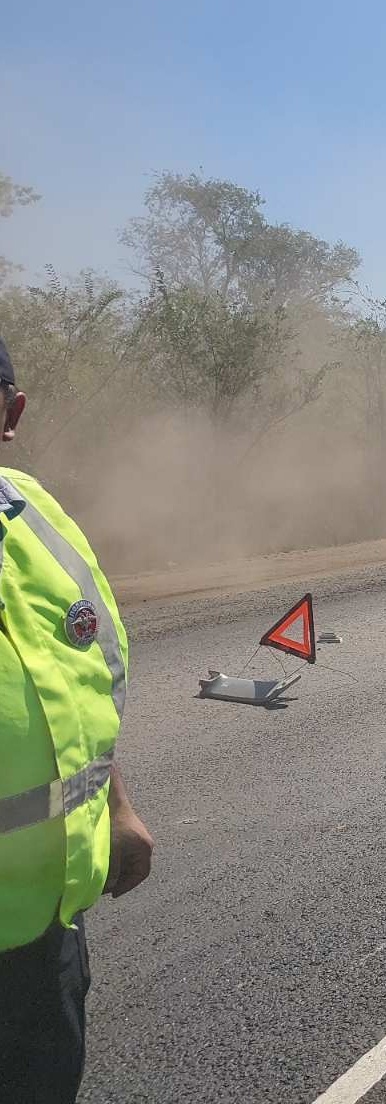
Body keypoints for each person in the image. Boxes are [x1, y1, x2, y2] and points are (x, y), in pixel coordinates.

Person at [0, 335, 153, 1102]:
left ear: (11, 413)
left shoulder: (36, 517)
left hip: (46, 930)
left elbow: (76, 681)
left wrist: (119, 807)